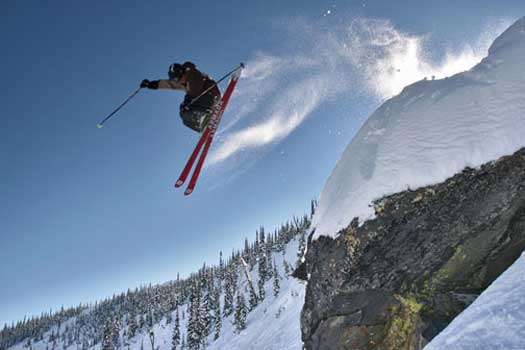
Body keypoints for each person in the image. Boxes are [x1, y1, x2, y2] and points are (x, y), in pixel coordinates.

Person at [140, 62, 221, 132]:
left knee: (186, 106)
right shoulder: (182, 82)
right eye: (176, 80)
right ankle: (203, 128)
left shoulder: (192, 73)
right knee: (184, 116)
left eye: (178, 79)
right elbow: (169, 84)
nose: (178, 81)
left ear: (182, 73)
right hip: (203, 101)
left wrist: (188, 100)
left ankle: (204, 116)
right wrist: (151, 84)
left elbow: (196, 89)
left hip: (210, 94)